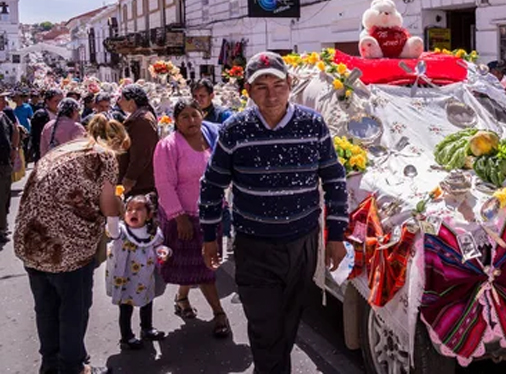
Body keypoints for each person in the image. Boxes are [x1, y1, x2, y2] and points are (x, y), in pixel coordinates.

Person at [200, 52, 348, 374]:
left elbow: (335, 181)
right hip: (255, 247)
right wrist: (210, 236)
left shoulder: (313, 124)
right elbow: (212, 185)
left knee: (288, 322)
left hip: (302, 245)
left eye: (278, 84)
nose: (271, 94)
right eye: (261, 86)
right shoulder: (235, 130)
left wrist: (336, 238)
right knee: (265, 329)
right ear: (249, 91)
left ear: (290, 85)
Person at [14, 115, 128, 374]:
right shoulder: (104, 155)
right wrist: (117, 221)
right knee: (72, 310)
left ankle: (50, 363)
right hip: (66, 249)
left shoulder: (66, 149)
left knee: (46, 307)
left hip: (31, 242)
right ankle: (73, 367)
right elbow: (109, 205)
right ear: (115, 142)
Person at [154, 99, 230, 338]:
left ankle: (182, 298)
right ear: (176, 121)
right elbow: (164, 184)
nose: (191, 121)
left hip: (211, 215)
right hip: (184, 217)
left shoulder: (211, 140)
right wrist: (179, 217)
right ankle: (219, 313)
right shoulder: (168, 146)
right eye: (185, 117)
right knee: (204, 267)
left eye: (195, 115)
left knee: (195, 265)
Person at [105, 194, 169, 350]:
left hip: (145, 277)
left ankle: (147, 328)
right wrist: (113, 210)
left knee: (147, 302)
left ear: (149, 215)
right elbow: (112, 229)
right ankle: (126, 336)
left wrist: (164, 251)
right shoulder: (121, 231)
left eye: (139, 209)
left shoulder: (153, 233)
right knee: (126, 307)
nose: (133, 212)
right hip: (125, 278)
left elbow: (158, 246)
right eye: (129, 209)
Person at [116, 85, 159, 199]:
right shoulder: (139, 117)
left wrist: (129, 180)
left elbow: (141, 155)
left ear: (131, 101)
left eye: (122, 98)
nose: (119, 101)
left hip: (140, 185)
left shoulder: (142, 120)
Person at [30, 89, 64, 163]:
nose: (59, 104)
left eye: (61, 101)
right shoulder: (41, 115)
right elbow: (37, 138)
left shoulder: (63, 115)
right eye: (56, 101)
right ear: (47, 101)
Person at [0, 107, 15, 243]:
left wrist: (14, 149)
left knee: (4, 196)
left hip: (3, 163)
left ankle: (2, 227)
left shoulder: (3, 117)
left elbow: (14, 131)